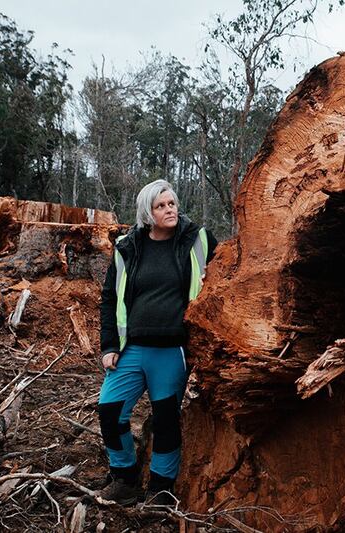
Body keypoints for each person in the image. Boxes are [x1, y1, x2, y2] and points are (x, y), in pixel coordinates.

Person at [97, 179, 217, 505]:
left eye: (172, 203)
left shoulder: (199, 240)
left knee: (166, 420)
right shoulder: (127, 247)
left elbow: (229, 274)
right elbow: (110, 299)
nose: (170, 210)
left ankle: (161, 489)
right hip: (132, 349)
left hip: (173, 349)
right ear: (147, 213)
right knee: (110, 412)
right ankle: (125, 476)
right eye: (161, 206)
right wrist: (109, 347)